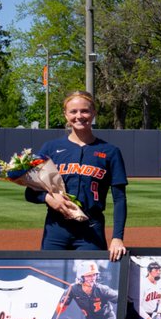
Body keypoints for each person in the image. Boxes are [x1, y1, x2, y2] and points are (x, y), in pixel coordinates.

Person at [26, 90, 127, 261]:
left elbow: (120, 199)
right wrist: (49, 199)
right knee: (52, 279)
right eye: (73, 111)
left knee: (92, 279)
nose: (79, 116)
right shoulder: (50, 148)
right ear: (65, 115)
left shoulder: (110, 152)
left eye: (85, 111)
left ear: (94, 113)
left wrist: (117, 237)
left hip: (91, 229)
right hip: (56, 228)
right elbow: (30, 192)